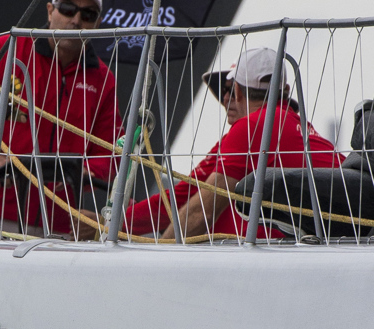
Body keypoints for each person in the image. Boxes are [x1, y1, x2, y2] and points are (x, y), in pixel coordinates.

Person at [0, 0, 121, 236]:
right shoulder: (6, 51)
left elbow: (111, 148)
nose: (76, 20)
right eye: (68, 9)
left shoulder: (103, 79)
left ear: (98, 23)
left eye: (88, 14)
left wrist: (84, 173)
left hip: (60, 226)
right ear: (50, 11)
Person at [128, 47, 341, 240]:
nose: (225, 98)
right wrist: (117, 222)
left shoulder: (252, 128)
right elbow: (186, 193)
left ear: (237, 91)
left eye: (229, 89)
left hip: (292, 248)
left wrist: (158, 259)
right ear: (284, 91)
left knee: (223, 200)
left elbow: (201, 210)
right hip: (332, 238)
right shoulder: (284, 124)